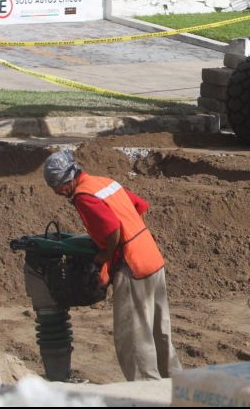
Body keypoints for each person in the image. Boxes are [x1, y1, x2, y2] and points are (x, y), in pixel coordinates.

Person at [40, 150, 182, 380]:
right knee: (160, 331)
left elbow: (112, 228)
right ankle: (176, 385)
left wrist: (106, 254)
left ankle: (146, 393)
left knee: (134, 338)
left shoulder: (84, 196)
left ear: (69, 178)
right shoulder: (104, 182)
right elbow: (140, 206)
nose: (57, 192)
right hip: (152, 257)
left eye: (57, 186)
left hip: (132, 266)